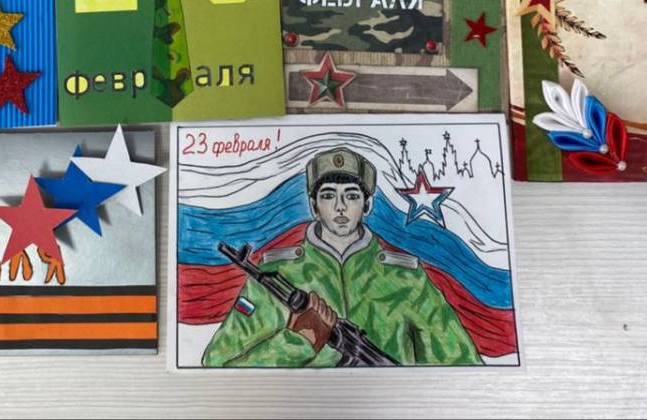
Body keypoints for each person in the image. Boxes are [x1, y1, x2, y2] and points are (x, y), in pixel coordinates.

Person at [202, 147, 482, 367]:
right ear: (313, 205)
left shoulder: (407, 278)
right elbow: (218, 364)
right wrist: (299, 341)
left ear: (367, 205)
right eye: (328, 196)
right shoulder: (277, 272)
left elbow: (461, 365)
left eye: (351, 195)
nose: (340, 207)